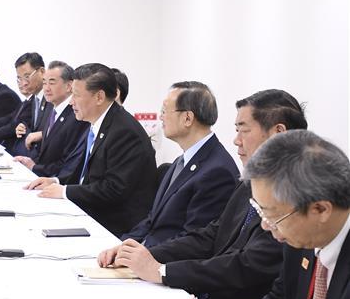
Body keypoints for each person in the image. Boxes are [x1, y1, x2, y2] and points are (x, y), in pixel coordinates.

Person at [178, 130, 350, 299]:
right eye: (261, 212)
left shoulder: (303, 231)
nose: (267, 227)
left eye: (273, 216)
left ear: (321, 209)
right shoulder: (303, 233)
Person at [98, 89, 306, 299]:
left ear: (278, 132)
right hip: (210, 298)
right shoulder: (251, 180)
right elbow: (213, 233)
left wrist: (162, 271)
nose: (236, 141)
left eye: (243, 130)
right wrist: (143, 255)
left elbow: (247, 265)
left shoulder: (296, 193)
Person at [26, 63, 156, 236]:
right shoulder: (98, 122)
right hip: (94, 211)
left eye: (76, 95)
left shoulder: (124, 131)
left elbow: (113, 189)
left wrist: (65, 191)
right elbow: (85, 173)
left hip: (114, 225)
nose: (71, 102)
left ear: (99, 97)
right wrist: (55, 181)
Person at [118, 81, 239, 247]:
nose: (160, 117)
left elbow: (193, 241)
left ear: (187, 118)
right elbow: (153, 220)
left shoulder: (217, 172)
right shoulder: (183, 160)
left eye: (164, 111)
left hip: (163, 264)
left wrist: (141, 255)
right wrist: (123, 244)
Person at [13, 60, 89, 178]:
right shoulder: (51, 109)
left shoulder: (76, 116)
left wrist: (34, 167)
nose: (46, 88)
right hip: (42, 177)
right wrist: (29, 163)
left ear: (69, 86)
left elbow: (67, 163)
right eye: (44, 83)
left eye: (52, 83)